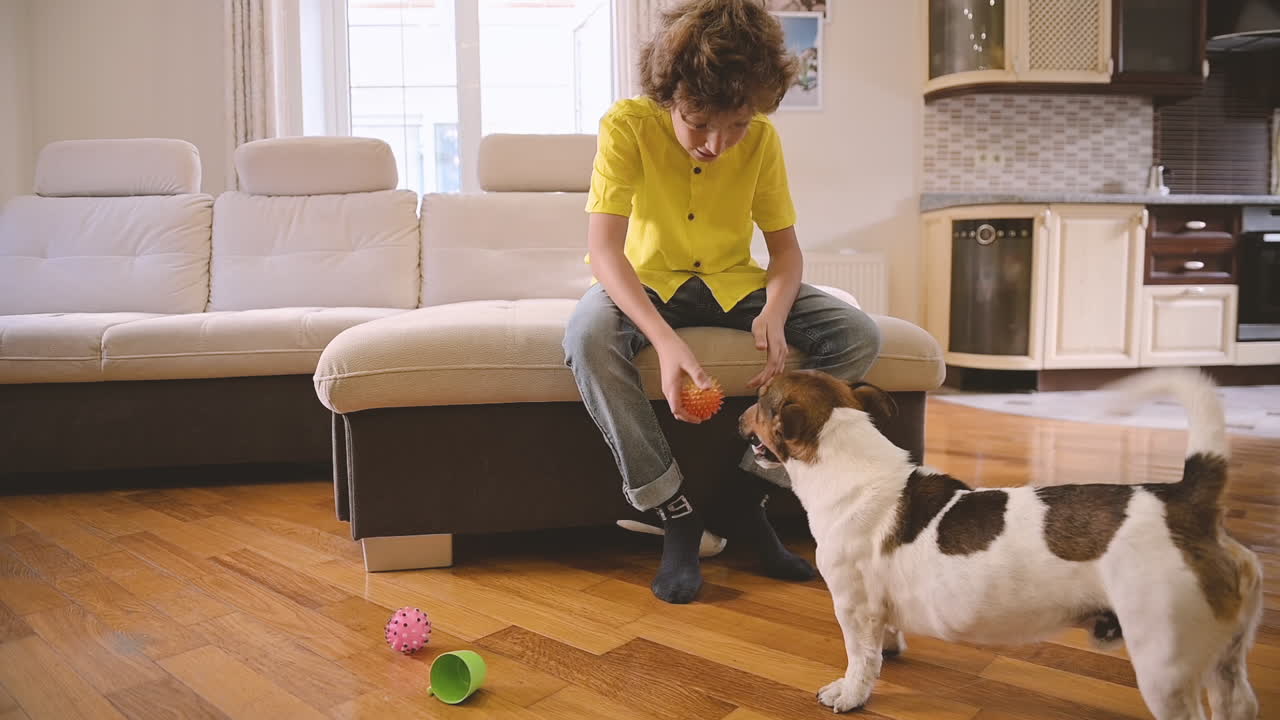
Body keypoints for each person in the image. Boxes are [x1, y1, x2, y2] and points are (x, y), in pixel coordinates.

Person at [562, 0, 880, 604]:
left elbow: (786, 254)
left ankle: (747, 496)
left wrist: (776, 310)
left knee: (859, 334)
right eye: (699, 122)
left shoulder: (760, 140)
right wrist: (664, 339)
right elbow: (605, 252)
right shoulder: (628, 126)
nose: (719, 143)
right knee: (586, 336)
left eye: (736, 125)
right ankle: (675, 511)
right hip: (648, 280)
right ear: (670, 97)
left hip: (736, 282)